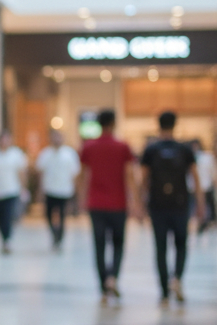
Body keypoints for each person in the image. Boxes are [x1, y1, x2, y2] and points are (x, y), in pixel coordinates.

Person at [141, 112, 203, 304]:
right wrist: (200, 203)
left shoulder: (151, 150)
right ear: (175, 125)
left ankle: (164, 292)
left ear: (158, 125)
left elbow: (144, 179)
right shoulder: (184, 149)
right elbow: (195, 178)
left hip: (157, 205)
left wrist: (140, 203)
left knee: (160, 247)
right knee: (181, 244)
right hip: (180, 204)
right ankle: (177, 278)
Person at [79, 109, 139, 303]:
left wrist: (81, 198)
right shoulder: (123, 147)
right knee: (118, 243)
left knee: (99, 245)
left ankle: (103, 287)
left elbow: (83, 175)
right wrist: (135, 201)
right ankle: (113, 277)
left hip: (96, 204)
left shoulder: (89, 147)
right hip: (118, 204)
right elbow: (129, 175)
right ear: (113, 123)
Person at [35, 128, 81, 248]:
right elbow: (40, 173)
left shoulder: (69, 154)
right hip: (49, 189)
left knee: (62, 215)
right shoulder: (45, 154)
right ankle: (54, 233)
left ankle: (60, 237)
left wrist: (75, 190)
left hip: (64, 190)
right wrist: (40, 190)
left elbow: (75, 173)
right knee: (49, 214)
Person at [0, 130, 28, 254]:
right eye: (2, 139)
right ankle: (4, 238)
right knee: (0, 218)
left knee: (8, 216)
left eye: (6, 139)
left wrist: (23, 188)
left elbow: (21, 173)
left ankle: (8, 240)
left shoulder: (16, 154)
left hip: (11, 190)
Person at [192, 139, 216, 232]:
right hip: (195, 188)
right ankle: (200, 223)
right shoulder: (191, 156)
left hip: (206, 186)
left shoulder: (207, 157)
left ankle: (205, 222)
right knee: (197, 207)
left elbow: (212, 172)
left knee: (207, 207)